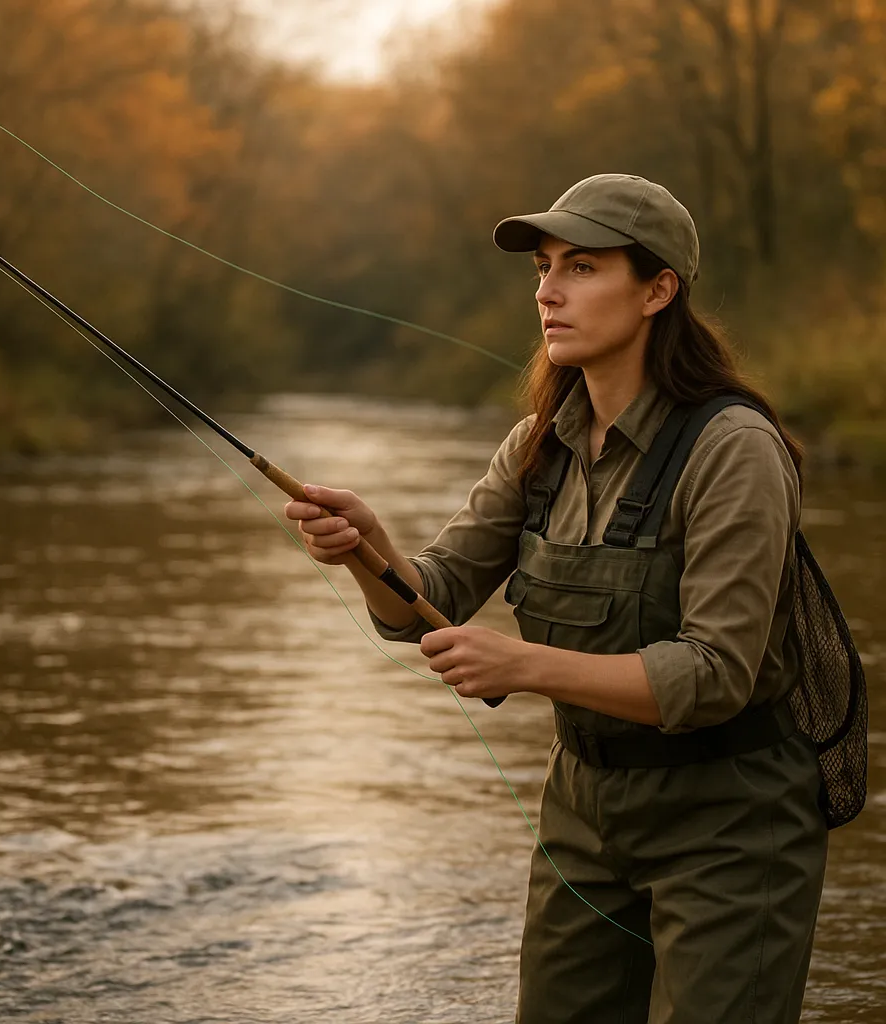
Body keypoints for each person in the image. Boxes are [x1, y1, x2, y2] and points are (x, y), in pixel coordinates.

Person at [283, 173, 827, 1024]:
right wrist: (367, 549)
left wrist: (525, 663)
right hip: (582, 811)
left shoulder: (735, 449)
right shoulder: (538, 445)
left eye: (581, 267)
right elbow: (426, 601)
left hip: (731, 823)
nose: (546, 291)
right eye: (542, 267)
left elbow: (715, 673)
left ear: (657, 290)